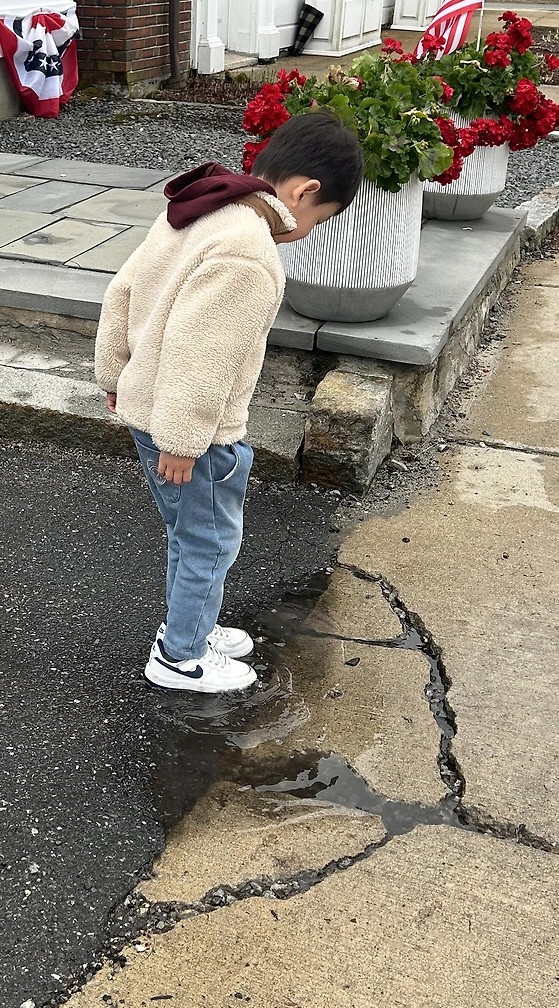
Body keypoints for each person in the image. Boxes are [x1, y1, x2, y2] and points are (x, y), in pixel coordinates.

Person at [94, 112, 363, 693]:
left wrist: (115, 375)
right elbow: (202, 353)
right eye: (320, 220)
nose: (309, 232)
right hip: (194, 434)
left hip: (149, 409)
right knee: (210, 540)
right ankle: (180, 657)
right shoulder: (248, 252)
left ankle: (191, 624)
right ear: (305, 192)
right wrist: (184, 440)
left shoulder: (200, 210)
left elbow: (123, 292)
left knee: (188, 532)